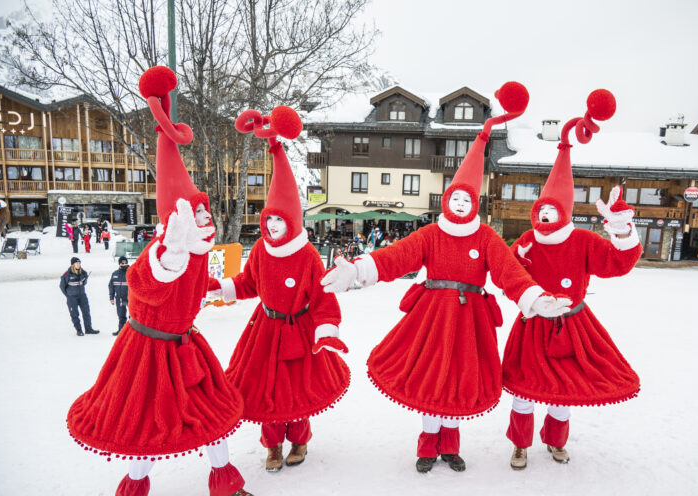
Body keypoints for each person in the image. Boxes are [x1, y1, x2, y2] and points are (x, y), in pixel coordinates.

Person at [321, 82, 571, 474]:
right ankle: (427, 447)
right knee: (429, 381)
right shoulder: (431, 234)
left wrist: (535, 298)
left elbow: (510, 273)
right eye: (454, 197)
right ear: (447, 199)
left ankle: (450, 447)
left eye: (466, 200)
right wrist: (357, 270)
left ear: (474, 205)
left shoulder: (486, 237)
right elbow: (397, 256)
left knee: (457, 380)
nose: (459, 203)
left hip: (470, 320)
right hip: (432, 318)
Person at [66, 67, 256, 496]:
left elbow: (201, 287)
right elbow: (141, 284)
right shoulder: (159, 253)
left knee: (209, 417)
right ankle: (131, 492)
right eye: (197, 217)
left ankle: (226, 483)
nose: (205, 223)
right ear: (175, 224)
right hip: (146, 351)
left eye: (206, 215)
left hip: (186, 345)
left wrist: (224, 287)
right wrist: (166, 257)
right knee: (143, 423)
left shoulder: (198, 253)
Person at [502, 90, 641, 470]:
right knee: (525, 390)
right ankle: (520, 444)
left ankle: (556, 441)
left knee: (563, 391)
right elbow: (509, 274)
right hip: (533, 323)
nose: (545, 216)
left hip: (573, 324)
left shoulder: (582, 240)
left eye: (552, 210)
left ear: (563, 211)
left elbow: (618, 263)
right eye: (541, 210)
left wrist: (620, 229)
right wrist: (528, 298)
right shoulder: (527, 241)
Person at [210, 106, 350, 473]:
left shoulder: (306, 256)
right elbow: (248, 283)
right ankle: (272, 445)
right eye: (268, 219)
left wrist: (327, 329)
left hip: (300, 332)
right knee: (265, 390)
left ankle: (299, 440)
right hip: (265, 330)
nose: (272, 226)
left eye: (278, 220)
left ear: (291, 221)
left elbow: (323, 297)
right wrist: (222, 287)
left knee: (297, 390)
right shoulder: (260, 250)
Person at [59, 257, 99, 336]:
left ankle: (88, 329)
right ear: (73, 264)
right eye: (76, 263)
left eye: (79, 263)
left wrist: (85, 280)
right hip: (72, 297)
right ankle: (79, 330)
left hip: (82, 296)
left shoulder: (83, 272)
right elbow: (62, 286)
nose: (78, 264)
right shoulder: (67, 274)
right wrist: (68, 295)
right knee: (74, 314)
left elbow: (83, 283)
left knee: (86, 312)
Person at [108, 257, 129, 336]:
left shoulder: (131, 272)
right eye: (122, 263)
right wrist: (111, 297)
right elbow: (111, 286)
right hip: (119, 298)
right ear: (119, 264)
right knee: (121, 315)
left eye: (125, 263)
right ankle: (121, 330)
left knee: (133, 317)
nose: (124, 264)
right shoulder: (115, 273)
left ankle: (132, 332)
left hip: (130, 298)